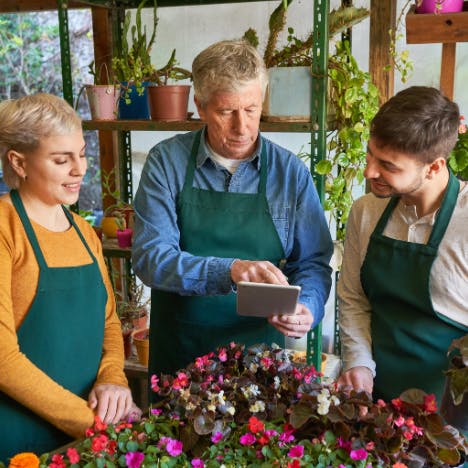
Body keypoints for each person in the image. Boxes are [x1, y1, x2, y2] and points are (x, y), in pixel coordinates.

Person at [132, 39, 333, 377]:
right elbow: (151, 258)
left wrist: (307, 308)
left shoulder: (290, 174)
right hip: (181, 357)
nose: (243, 127)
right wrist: (229, 270)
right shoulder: (166, 163)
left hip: (260, 362)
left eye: (252, 109)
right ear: (200, 105)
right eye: (227, 112)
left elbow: (312, 262)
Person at [0, 93, 141, 462]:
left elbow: (109, 322)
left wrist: (113, 379)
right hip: (18, 435)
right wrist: (94, 425)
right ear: (19, 162)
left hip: (87, 432)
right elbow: (2, 358)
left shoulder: (82, 230)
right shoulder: (5, 230)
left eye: (81, 153)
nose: (80, 169)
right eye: (62, 160)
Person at [337, 86, 468, 404]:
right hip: (377, 404)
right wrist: (359, 365)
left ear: (434, 167)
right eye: (370, 154)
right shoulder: (366, 212)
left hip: (452, 418)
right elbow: (353, 299)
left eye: (389, 166)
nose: (369, 171)